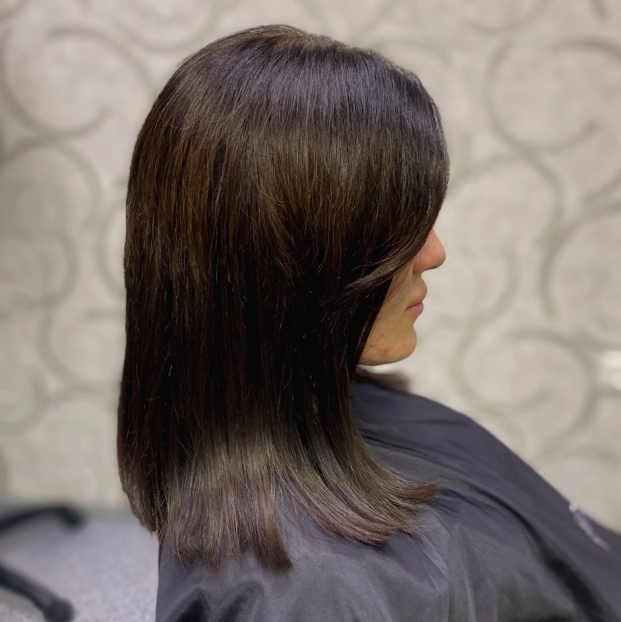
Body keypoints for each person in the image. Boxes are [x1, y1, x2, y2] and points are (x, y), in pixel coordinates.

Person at [117, 24, 621, 622]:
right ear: (286, 266)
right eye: (397, 227)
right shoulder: (311, 595)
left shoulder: (341, 405)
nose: (434, 252)